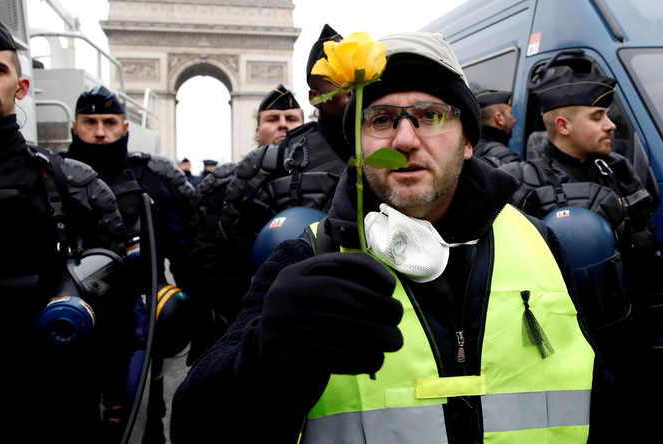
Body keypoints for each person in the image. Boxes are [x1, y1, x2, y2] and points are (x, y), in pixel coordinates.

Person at [171, 31, 621, 443]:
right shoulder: (305, 257)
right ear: (358, 145)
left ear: (468, 140)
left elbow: (603, 402)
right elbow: (194, 427)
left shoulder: (540, 243)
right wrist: (266, 353)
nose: (405, 139)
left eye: (430, 115)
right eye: (381, 119)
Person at [0, 10, 131, 442]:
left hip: (58, 404)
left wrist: (116, 397)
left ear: (20, 86)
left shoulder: (75, 184)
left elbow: (116, 311)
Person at [500, 66, 663, 442]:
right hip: (573, 347)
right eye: (598, 116)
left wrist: (662, 318)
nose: (612, 126)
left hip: (633, 332)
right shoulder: (522, 182)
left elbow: (646, 246)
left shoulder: (617, 168)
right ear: (563, 124)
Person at [62, 85, 216, 443]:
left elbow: (186, 253)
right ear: (74, 126)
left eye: (110, 122)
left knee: (139, 414)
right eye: (90, 122)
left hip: (136, 324)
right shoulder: (53, 178)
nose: (100, 133)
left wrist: (202, 315)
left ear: (125, 127)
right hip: (76, 323)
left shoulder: (152, 180)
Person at [188, 23, 351, 324]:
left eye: (290, 118)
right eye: (338, 79)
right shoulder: (262, 167)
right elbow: (229, 261)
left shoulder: (394, 147)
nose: (350, 86)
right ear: (315, 95)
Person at [472, 89, 520, 167]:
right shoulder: (506, 159)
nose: (514, 120)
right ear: (499, 118)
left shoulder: (469, 149)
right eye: (510, 113)